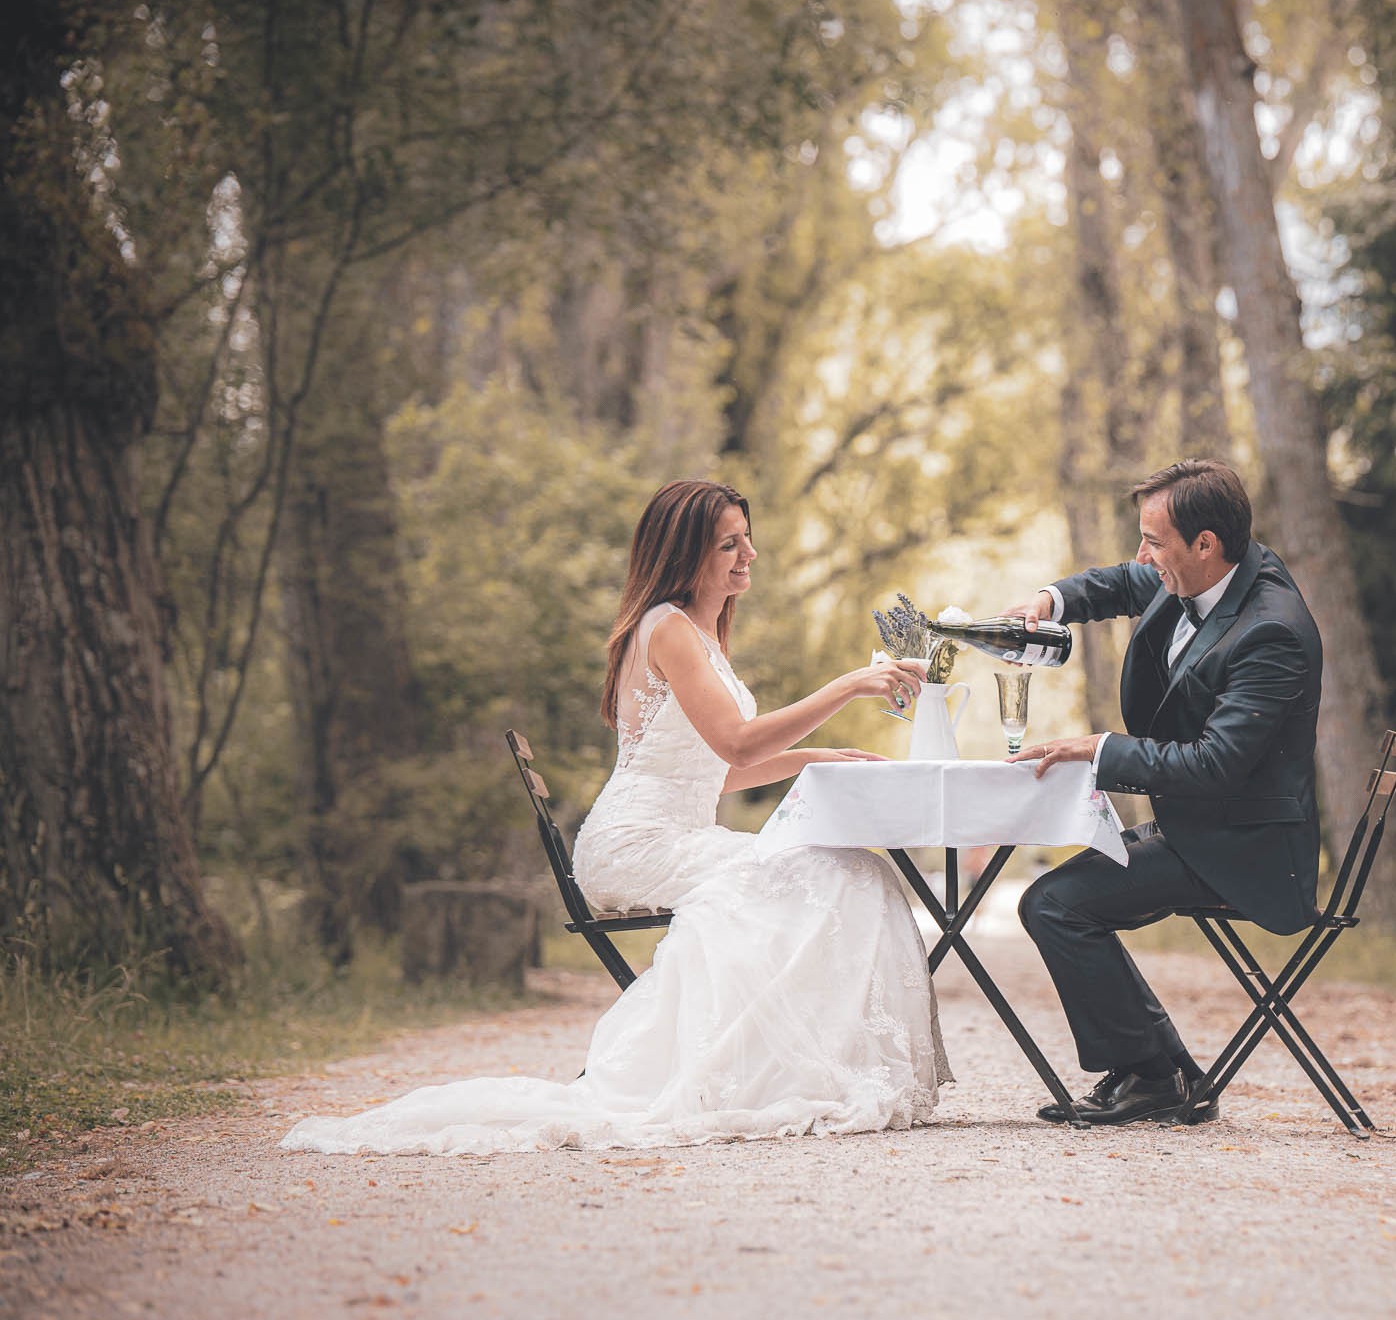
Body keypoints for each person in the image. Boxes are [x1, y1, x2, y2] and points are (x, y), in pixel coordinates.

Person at [283, 480, 946, 1154]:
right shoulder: (670, 629)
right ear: (687, 553)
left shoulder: (699, 634)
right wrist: (848, 684)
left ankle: (790, 1067)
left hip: (675, 833)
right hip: (639, 843)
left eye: (748, 536)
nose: (750, 552)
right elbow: (738, 744)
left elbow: (723, 769)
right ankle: (768, 1071)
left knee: (853, 870)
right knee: (843, 876)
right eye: (729, 542)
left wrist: (821, 756)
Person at [999, 460, 1323, 1126]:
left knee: (1055, 904)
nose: (1142, 555)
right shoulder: (1202, 572)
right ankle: (1161, 1070)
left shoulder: (1272, 630)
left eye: (1154, 541)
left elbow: (1215, 765)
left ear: (1205, 543)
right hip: (1200, 827)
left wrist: (1100, 749)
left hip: (1246, 845)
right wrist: (1047, 601)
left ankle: (1154, 1072)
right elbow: (1119, 582)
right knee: (1054, 901)